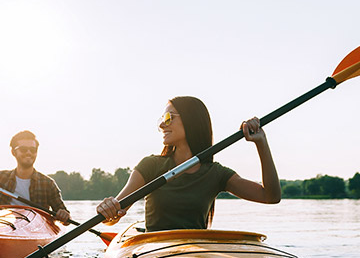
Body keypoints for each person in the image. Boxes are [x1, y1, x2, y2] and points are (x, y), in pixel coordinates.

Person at [96, 96, 281, 231]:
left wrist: (261, 142)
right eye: (162, 120)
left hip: (195, 256)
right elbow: (114, 216)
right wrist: (108, 209)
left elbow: (270, 196)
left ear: (191, 121)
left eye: (168, 118)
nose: (162, 125)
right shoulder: (150, 166)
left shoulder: (216, 174)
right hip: (154, 253)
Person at [0, 130, 70, 224]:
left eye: (33, 150)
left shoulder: (48, 184)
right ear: (13, 152)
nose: (29, 153)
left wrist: (64, 216)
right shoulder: (0, 177)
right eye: (23, 149)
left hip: (35, 229)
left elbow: (66, 220)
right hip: (3, 225)